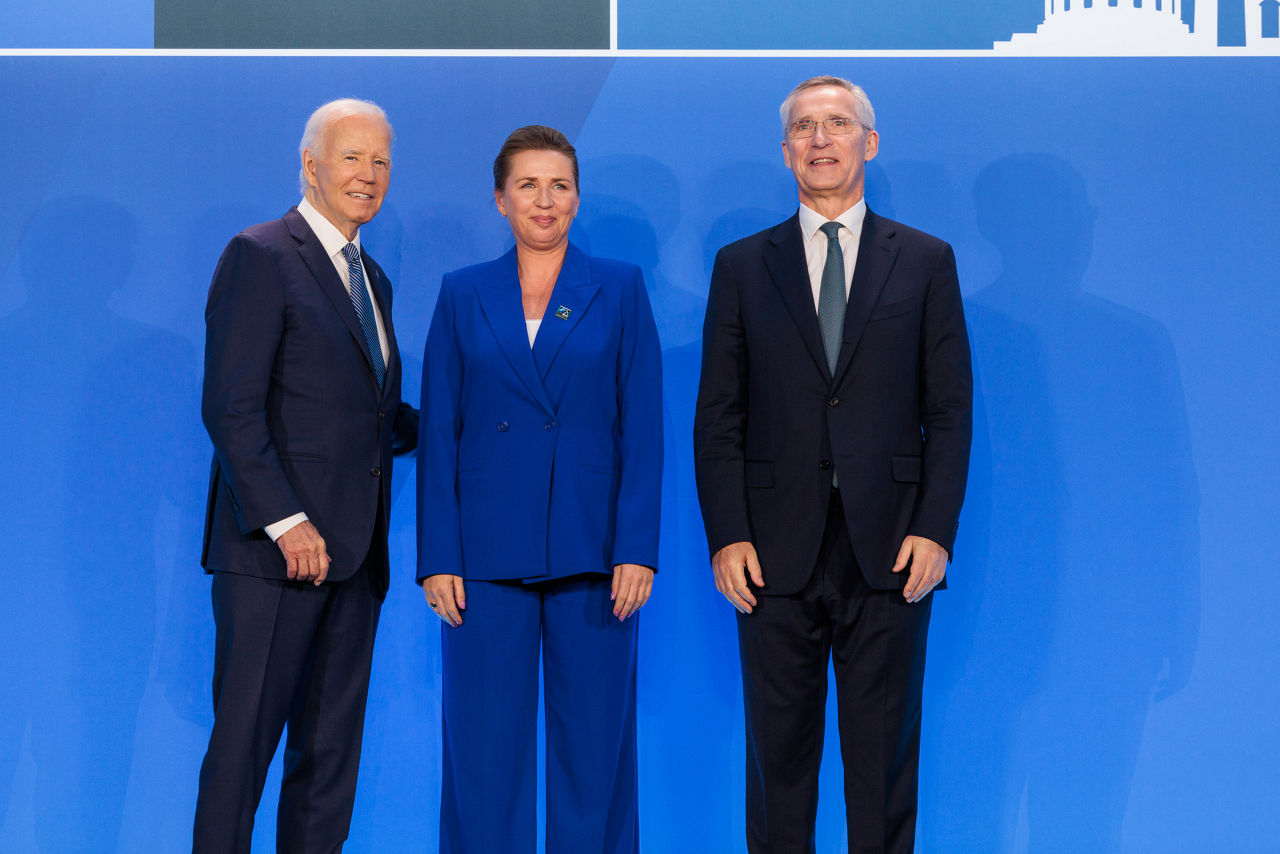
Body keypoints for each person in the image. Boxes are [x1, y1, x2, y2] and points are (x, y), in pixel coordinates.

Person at [693, 76, 972, 854]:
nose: (821, 140)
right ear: (786, 152)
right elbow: (719, 414)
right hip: (771, 555)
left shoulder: (924, 261)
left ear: (869, 143)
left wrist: (936, 530)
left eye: (838, 124)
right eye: (806, 128)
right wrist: (727, 535)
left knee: (882, 773)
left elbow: (948, 411)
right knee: (777, 773)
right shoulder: (742, 266)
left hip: (891, 553)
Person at [417, 125, 662, 854]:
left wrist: (638, 548)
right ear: (500, 199)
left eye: (559, 184)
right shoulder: (462, 293)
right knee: (482, 761)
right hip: (483, 562)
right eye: (527, 184)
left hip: (595, 555)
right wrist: (437, 556)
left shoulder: (618, 287)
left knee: (596, 759)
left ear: (578, 197)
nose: (544, 200)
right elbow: (439, 431)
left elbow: (642, 429)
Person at [195, 98, 418, 854]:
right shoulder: (260, 254)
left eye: (381, 160)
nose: (368, 174)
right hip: (272, 561)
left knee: (328, 766)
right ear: (310, 165)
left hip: (354, 564)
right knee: (241, 758)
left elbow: (373, 414)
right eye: (352, 156)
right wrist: (288, 522)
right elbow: (231, 409)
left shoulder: (373, 280)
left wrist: (472, 419)